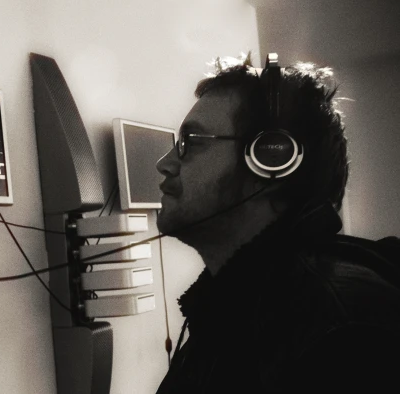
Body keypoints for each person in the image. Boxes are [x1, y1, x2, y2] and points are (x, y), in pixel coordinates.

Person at [154, 53, 400, 393]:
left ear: (272, 159)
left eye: (190, 143)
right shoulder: (235, 307)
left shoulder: (339, 328)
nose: (163, 164)